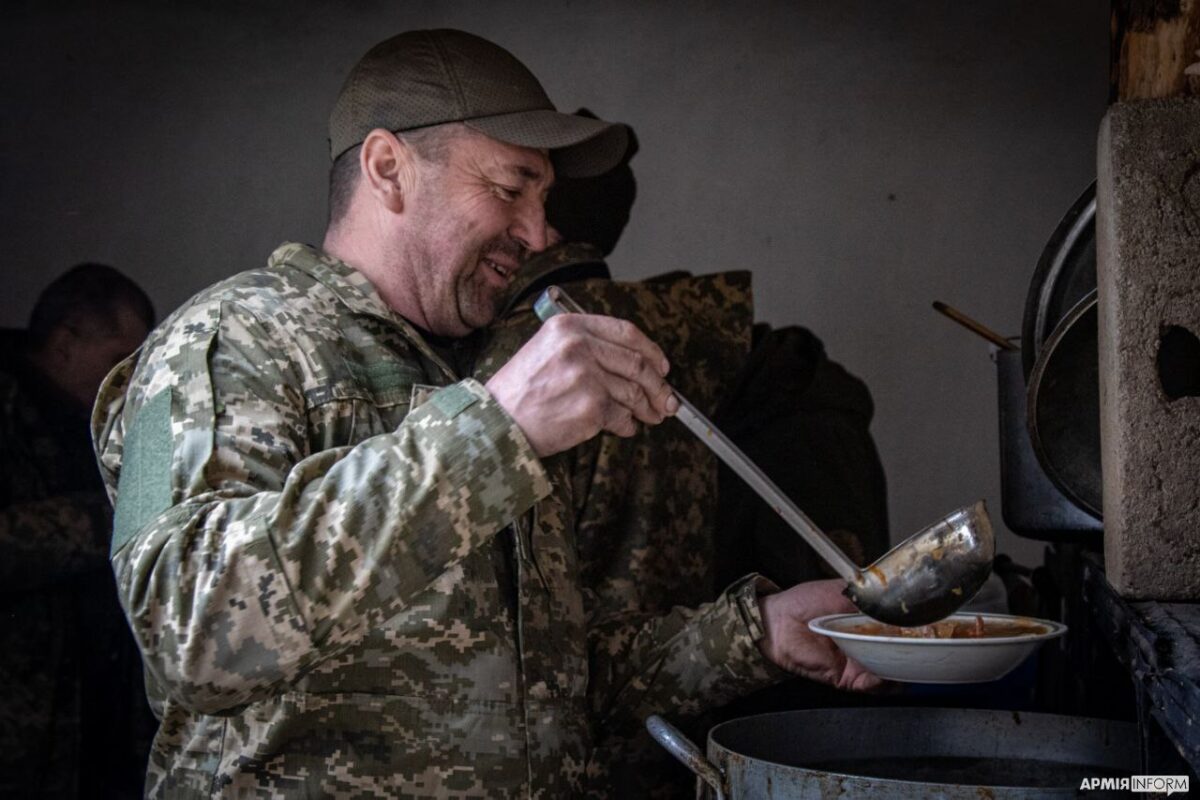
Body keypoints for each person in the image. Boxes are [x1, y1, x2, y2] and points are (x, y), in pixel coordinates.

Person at [93, 29, 877, 798]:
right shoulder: (220, 342)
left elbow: (543, 689)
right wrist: (494, 432)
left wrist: (760, 632)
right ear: (387, 167)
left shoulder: (460, 371)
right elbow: (185, 630)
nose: (538, 233)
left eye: (543, 199)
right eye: (509, 189)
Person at [1, 263, 156, 799]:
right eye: (116, 360)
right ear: (65, 342)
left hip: (99, 724)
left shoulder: (112, 423)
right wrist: (119, 514)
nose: (127, 380)